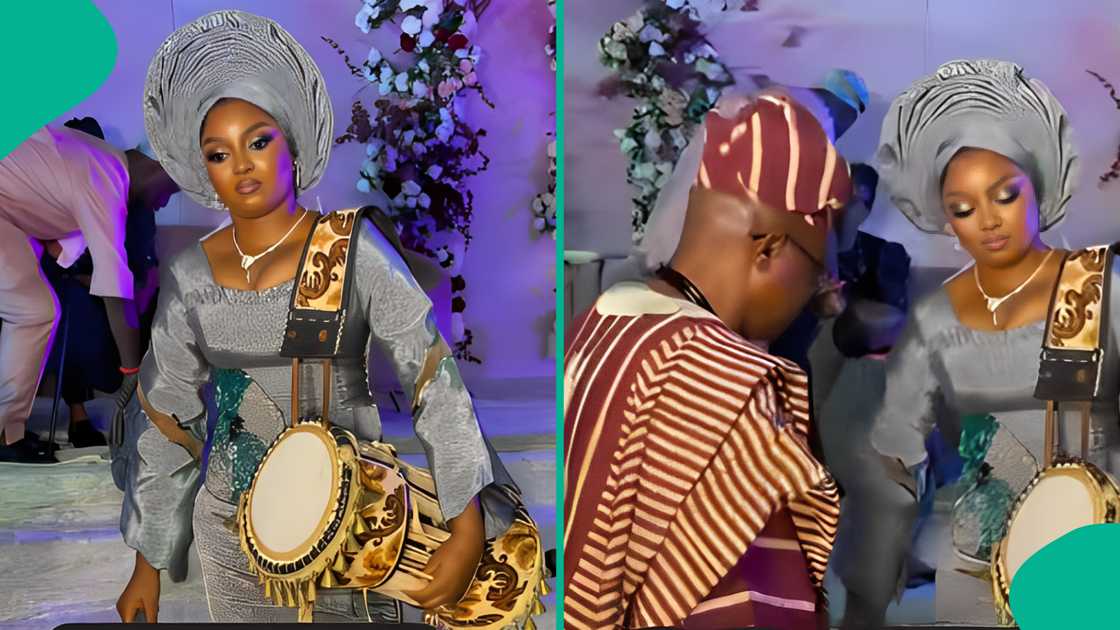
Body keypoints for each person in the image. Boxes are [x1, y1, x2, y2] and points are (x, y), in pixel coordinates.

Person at [113, 10, 518, 624]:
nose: (241, 165)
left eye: (258, 140)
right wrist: (147, 564)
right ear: (204, 171)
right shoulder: (191, 275)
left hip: (354, 522)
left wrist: (466, 525)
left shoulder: (350, 250)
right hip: (230, 526)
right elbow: (166, 413)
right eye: (218, 153)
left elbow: (435, 382)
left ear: (291, 141)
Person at [836, 59, 1120, 627]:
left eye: (1005, 195)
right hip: (974, 552)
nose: (987, 221)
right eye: (963, 209)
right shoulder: (935, 316)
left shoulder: (1097, 290)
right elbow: (896, 444)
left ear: (1037, 184)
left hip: (1091, 544)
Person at [564, 92, 852, 629]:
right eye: (814, 274)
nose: (812, 297)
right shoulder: (726, 383)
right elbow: (757, 609)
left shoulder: (597, 324)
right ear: (767, 246)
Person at [0, 116, 178, 462]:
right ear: (162, 170)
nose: (165, 201)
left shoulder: (101, 168)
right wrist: (131, 375)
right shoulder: (106, 177)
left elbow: (68, 254)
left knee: (37, 311)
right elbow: (114, 289)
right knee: (35, 310)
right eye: (171, 190)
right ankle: (6, 436)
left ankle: (7, 435)